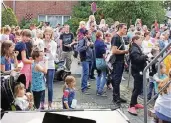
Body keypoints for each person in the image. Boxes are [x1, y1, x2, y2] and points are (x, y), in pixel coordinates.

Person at [128, 35, 148, 115]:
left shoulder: (136, 47)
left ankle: (135, 102)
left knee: (137, 87)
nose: (141, 41)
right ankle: (131, 106)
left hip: (138, 70)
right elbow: (136, 59)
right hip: (137, 70)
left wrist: (144, 56)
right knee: (137, 88)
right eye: (140, 40)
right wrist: (145, 56)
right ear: (135, 40)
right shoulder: (134, 49)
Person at [111, 23, 128, 107]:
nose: (126, 30)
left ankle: (117, 96)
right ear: (120, 28)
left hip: (120, 61)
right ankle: (116, 98)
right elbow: (114, 51)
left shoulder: (120, 37)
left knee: (118, 80)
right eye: (125, 28)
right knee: (116, 80)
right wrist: (125, 51)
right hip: (117, 62)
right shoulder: (116, 37)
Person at [43, 27, 57, 109]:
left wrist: (49, 50)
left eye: (49, 34)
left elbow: (53, 57)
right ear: (44, 34)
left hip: (51, 66)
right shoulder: (41, 42)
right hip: (42, 65)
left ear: (51, 35)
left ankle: (50, 103)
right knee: (42, 85)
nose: (47, 36)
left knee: (50, 85)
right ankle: (41, 102)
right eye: (46, 34)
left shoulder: (54, 43)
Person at [77, 30, 93, 94]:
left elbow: (91, 48)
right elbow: (79, 49)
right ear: (85, 34)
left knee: (87, 73)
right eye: (89, 34)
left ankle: (85, 85)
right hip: (85, 59)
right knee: (85, 73)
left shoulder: (89, 40)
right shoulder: (82, 40)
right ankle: (83, 88)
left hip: (90, 58)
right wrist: (87, 46)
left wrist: (91, 45)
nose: (91, 35)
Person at [95, 31, 107, 96]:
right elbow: (104, 54)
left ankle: (97, 89)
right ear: (100, 36)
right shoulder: (101, 43)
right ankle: (100, 90)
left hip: (97, 60)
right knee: (105, 75)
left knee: (99, 75)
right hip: (102, 60)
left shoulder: (96, 42)